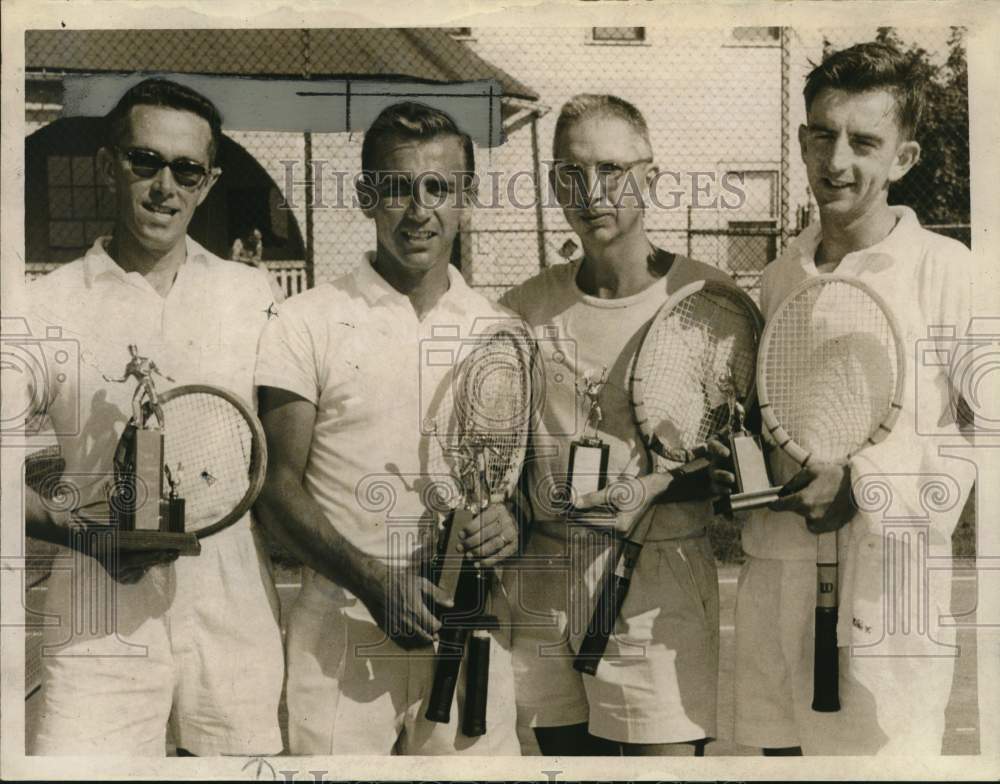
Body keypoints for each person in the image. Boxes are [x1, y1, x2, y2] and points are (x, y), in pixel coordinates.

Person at [711, 42, 980, 755]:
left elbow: (980, 436)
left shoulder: (949, 271)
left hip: (890, 594)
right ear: (800, 141)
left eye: (864, 142)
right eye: (823, 135)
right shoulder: (777, 276)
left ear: (904, 159)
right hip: (778, 582)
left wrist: (866, 487)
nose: (838, 161)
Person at [21, 78, 285, 756]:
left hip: (234, 613)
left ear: (208, 181)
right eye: (146, 161)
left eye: (186, 169)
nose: (165, 185)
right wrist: (83, 535)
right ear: (109, 164)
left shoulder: (253, 295)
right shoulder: (44, 306)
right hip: (97, 616)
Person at [254, 101, 521, 755]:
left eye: (439, 188)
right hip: (342, 626)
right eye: (398, 188)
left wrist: (511, 521)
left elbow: (520, 490)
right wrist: (374, 583)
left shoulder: (500, 329)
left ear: (466, 199)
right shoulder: (305, 319)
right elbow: (275, 489)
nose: (418, 210)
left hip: (470, 625)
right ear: (367, 195)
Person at [500, 94, 732, 756]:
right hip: (544, 575)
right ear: (552, 184)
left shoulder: (708, 300)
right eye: (571, 173)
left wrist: (655, 491)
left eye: (612, 169)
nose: (591, 192)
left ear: (652, 178)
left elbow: (731, 466)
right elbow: (506, 466)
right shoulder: (521, 308)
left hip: (660, 579)